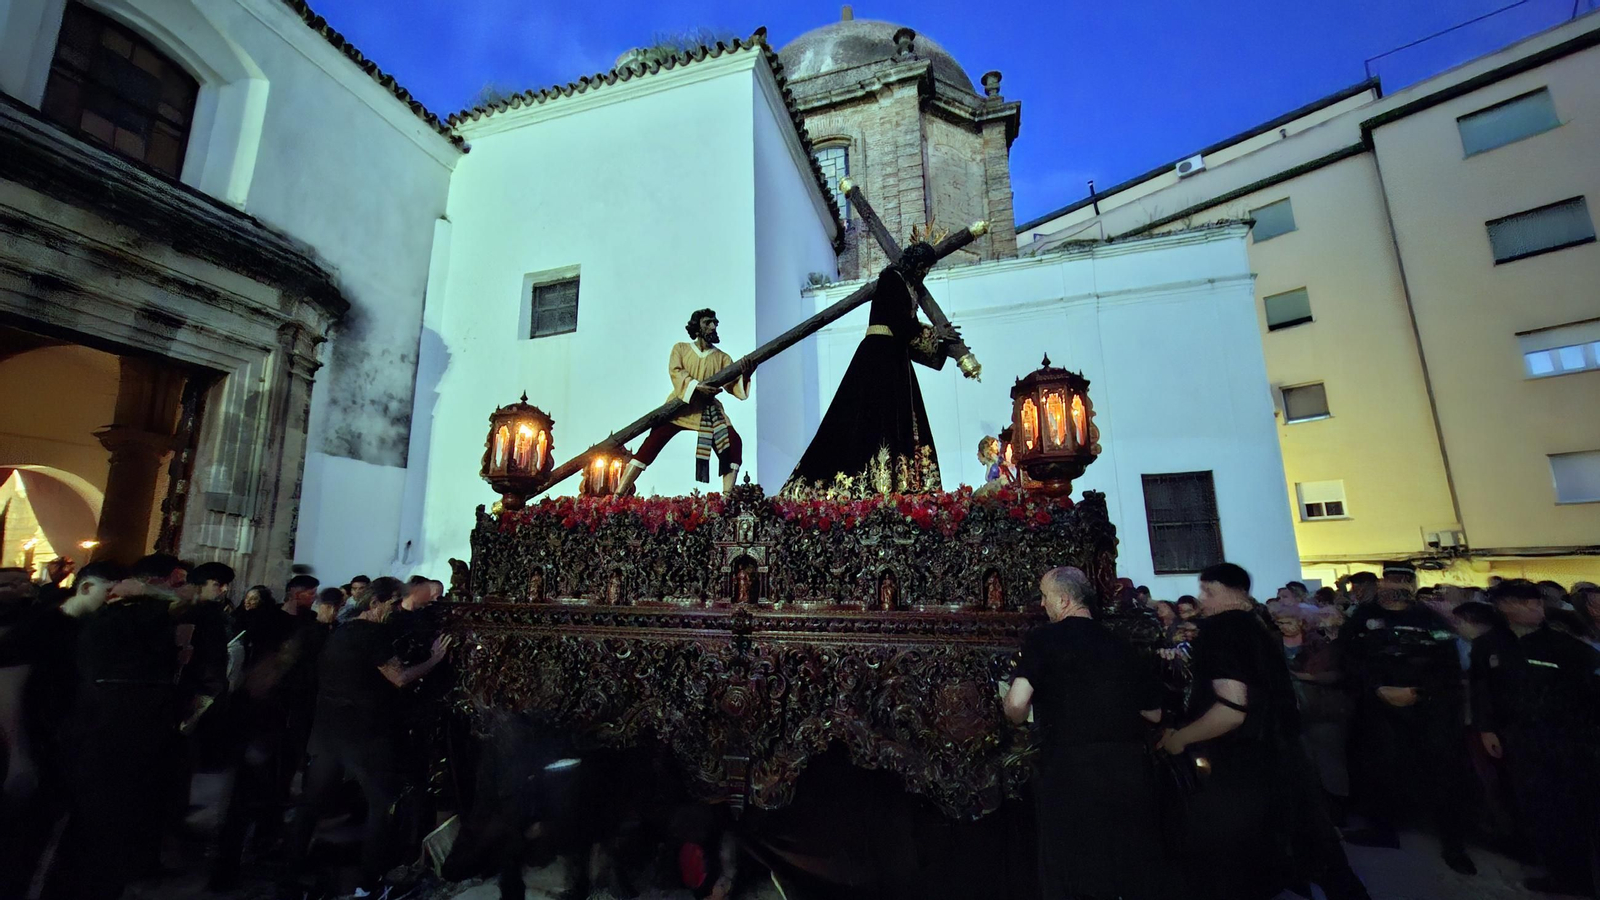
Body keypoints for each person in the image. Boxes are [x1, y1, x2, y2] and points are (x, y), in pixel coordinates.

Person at [1159, 563, 1367, 900]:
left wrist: (1181, 738)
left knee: (1232, 859)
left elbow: (1231, 708)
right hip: (1281, 754)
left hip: (1241, 763)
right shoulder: (1256, 627)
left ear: (1232, 591)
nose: (1202, 600)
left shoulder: (1223, 630)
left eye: (1208, 591)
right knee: (1315, 846)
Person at [1003, 567, 1174, 899]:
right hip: (1127, 768)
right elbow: (1153, 711)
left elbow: (1017, 702)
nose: (1042, 603)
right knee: (1124, 860)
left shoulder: (1045, 639)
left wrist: (1015, 716)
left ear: (1064, 600)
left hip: (1070, 768)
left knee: (1073, 864)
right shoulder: (1121, 641)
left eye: (1045, 596)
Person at [282, 577, 454, 898]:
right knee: (382, 805)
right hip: (364, 736)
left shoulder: (341, 631)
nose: (393, 610)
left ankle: (288, 876)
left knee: (310, 806)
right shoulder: (371, 634)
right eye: (391, 604)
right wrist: (433, 659)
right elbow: (399, 677)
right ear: (376, 604)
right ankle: (368, 884)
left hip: (328, 733)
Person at [43, 554, 194, 899]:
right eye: (111, 592)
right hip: (88, 738)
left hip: (95, 737)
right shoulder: (73, 624)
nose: (114, 599)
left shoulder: (108, 625)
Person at [780, 242, 959, 499]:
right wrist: (937, 337)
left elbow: (906, 329)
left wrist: (940, 344)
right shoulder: (891, 278)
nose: (925, 273)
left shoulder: (908, 285)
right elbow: (901, 324)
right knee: (865, 417)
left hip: (895, 359)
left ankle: (900, 486)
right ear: (915, 264)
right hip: (878, 356)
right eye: (924, 267)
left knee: (895, 421)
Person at [1339, 562, 1476, 874]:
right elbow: (1348, 658)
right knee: (1379, 771)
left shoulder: (1431, 619)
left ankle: (1454, 845)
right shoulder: (1362, 618)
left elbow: (1449, 666)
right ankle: (1383, 830)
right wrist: (1376, 688)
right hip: (1378, 709)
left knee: (1443, 777)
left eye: (1403, 579)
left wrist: (1420, 691)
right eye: (1391, 579)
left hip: (1428, 710)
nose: (1395, 585)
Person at [0, 560, 123, 900]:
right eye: (108, 592)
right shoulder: (42, 628)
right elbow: (9, 690)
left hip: (66, 746)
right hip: (35, 744)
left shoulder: (88, 628)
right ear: (86, 588)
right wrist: (19, 755)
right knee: (20, 844)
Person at [1478, 580, 1600, 895]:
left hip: (1569, 738)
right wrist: (1487, 728)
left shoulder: (1562, 644)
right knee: (1538, 808)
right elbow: (1483, 691)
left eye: (1537, 603)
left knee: (1573, 810)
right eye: (1526, 604)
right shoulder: (1490, 645)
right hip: (1520, 739)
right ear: (1504, 606)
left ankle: (1579, 876)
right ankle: (1562, 875)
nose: (1536, 609)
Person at [615, 308, 756, 496]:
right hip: (678, 408)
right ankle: (617, 494)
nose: (713, 326)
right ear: (697, 327)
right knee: (650, 446)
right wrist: (696, 387)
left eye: (715, 322)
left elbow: (734, 386)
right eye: (708, 322)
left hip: (708, 412)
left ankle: (727, 499)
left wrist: (745, 375)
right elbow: (676, 371)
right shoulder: (680, 349)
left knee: (734, 444)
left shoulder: (722, 358)